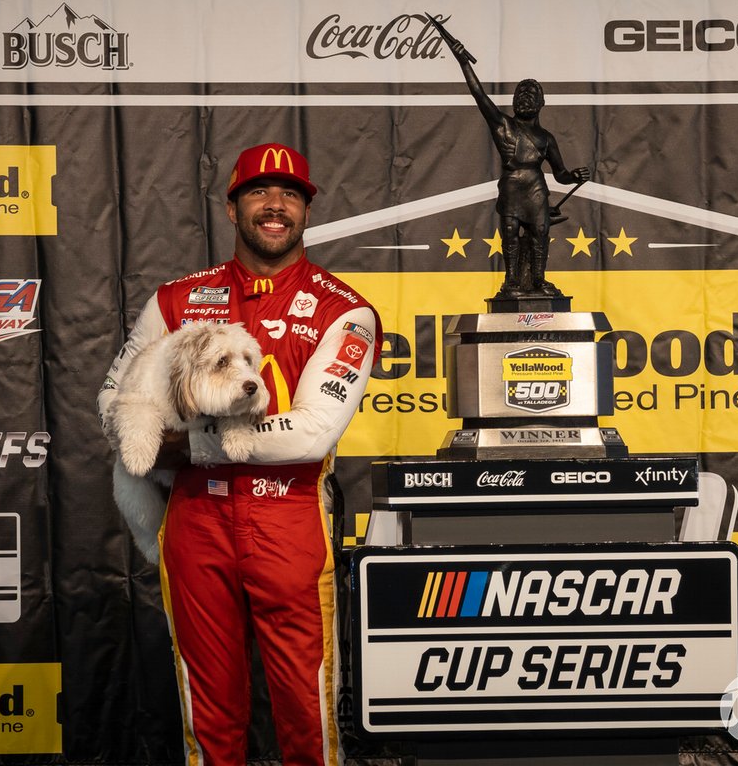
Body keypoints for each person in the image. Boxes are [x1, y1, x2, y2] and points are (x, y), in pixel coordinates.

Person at [97, 142, 380, 766]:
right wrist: (150, 436)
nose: (275, 205)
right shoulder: (175, 301)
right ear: (231, 208)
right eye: (258, 192)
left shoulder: (345, 309)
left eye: (290, 194)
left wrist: (188, 445)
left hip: (289, 520)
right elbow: (114, 402)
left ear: (306, 210)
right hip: (195, 523)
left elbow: (310, 435)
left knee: (306, 708)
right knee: (209, 707)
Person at [447, 39, 590, 298]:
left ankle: (538, 280)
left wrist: (574, 176)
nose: (525, 100)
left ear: (541, 104)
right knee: (510, 235)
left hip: (536, 189)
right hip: (512, 185)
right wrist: (463, 62)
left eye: (531, 96)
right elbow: (479, 95)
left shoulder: (546, 138)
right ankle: (511, 281)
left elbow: (560, 173)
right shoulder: (504, 126)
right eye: (520, 96)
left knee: (540, 234)